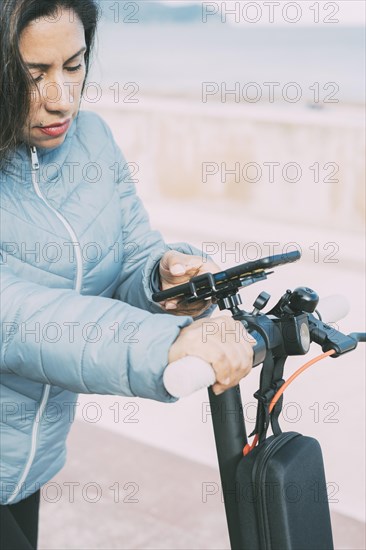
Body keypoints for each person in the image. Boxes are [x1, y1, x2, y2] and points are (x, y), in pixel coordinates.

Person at [0, 1, 255, 548]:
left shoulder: (90, 141)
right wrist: (169, 345)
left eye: (74, 65)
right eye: (33, 74)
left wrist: (167, 282)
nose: (61, 97)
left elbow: (132, 254)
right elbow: (16, 318)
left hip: (25, 466)